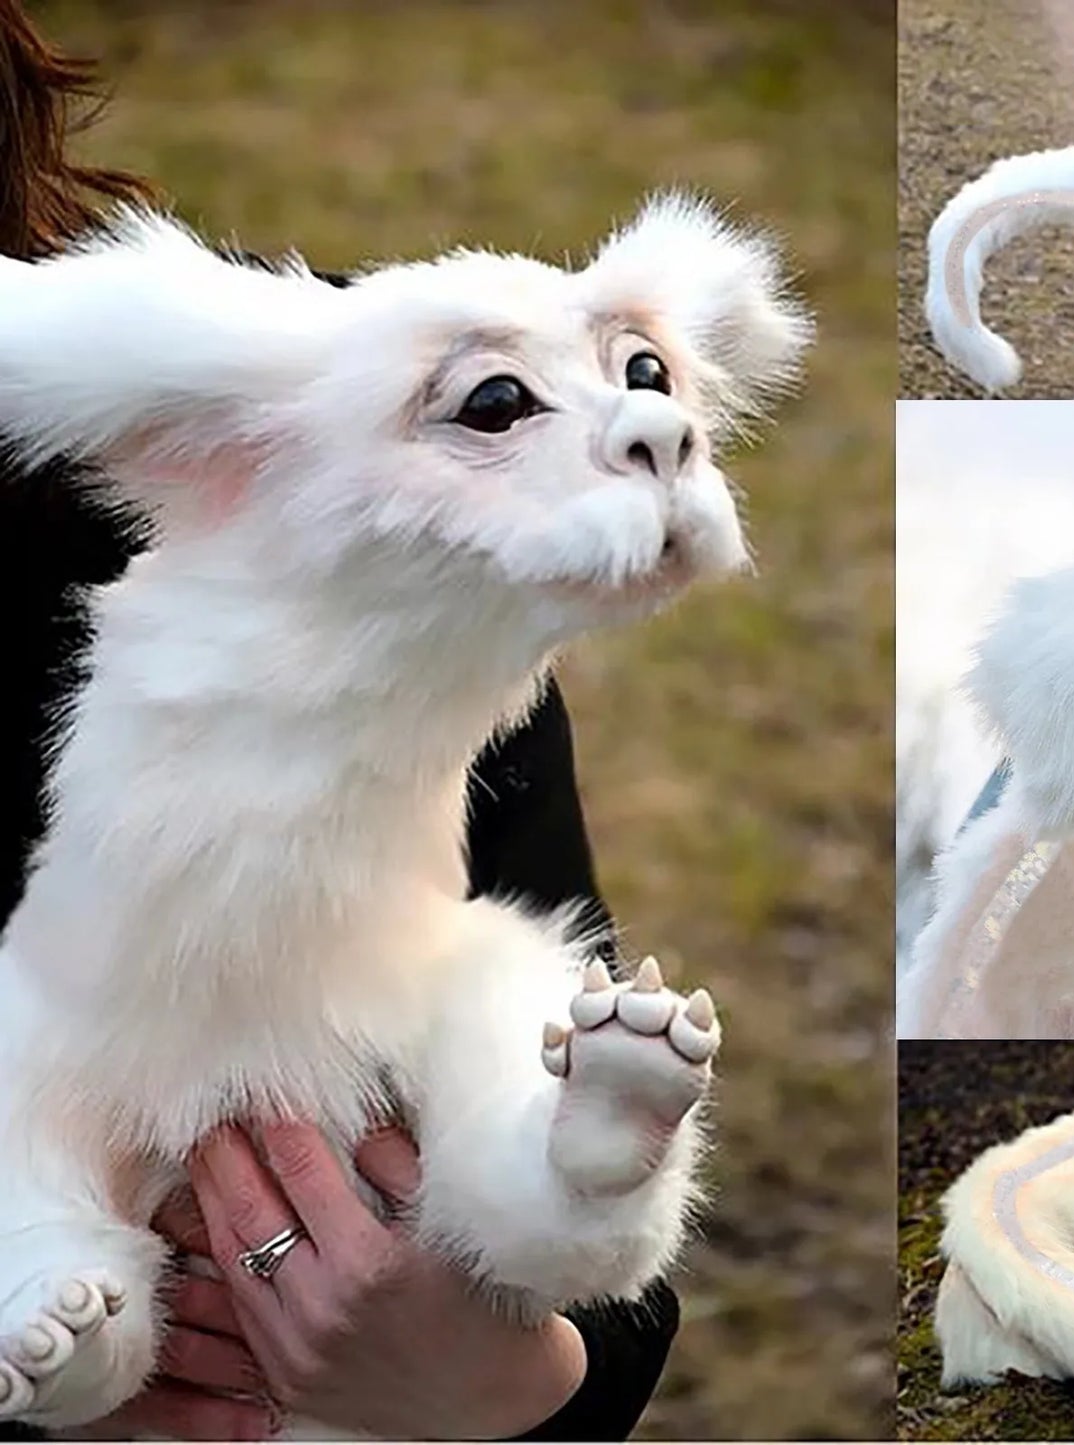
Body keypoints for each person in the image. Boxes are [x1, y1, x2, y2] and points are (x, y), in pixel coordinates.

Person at [0, 2, 677, 1437]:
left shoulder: (306, 413)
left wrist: (505, 1377)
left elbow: (596, 1327)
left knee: (504, 998)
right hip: (74, 1256)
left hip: (396, 1284)